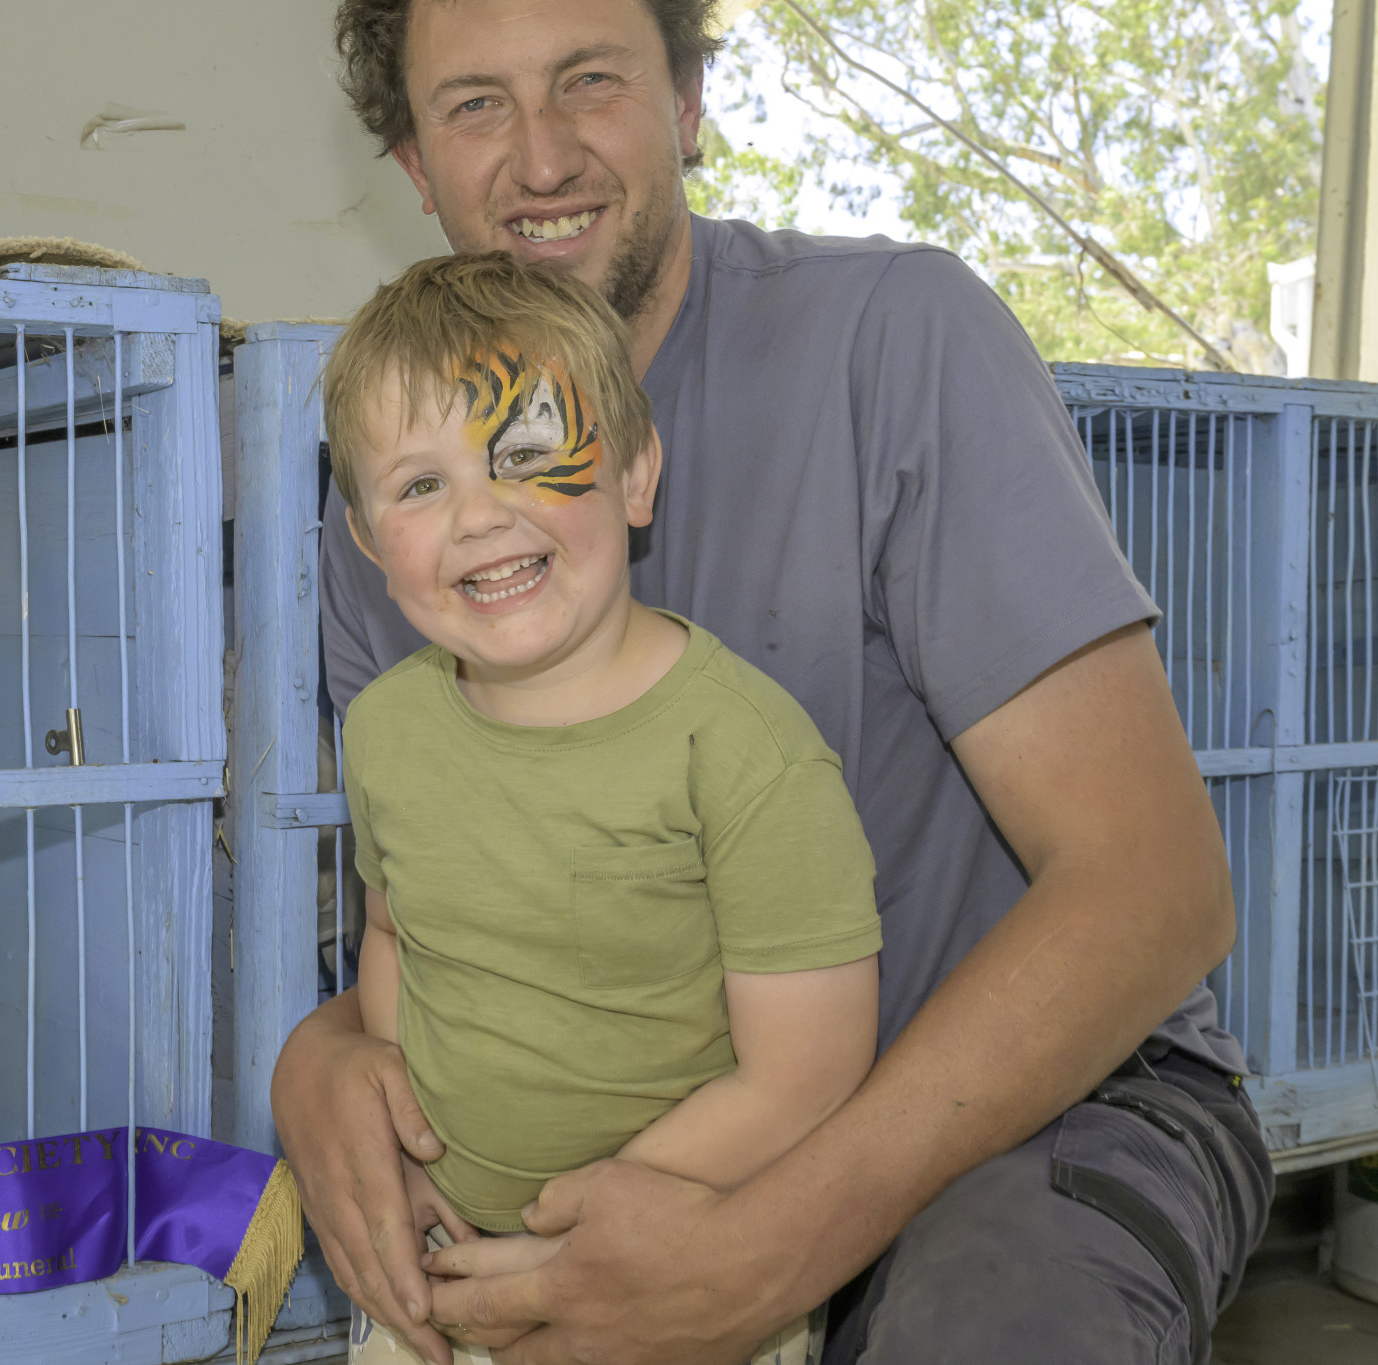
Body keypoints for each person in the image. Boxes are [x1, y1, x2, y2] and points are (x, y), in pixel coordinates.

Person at [269, 2, 1274, 1363]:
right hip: (639, 1149)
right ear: (413, 167)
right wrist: (318, 1057)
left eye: (592, 82)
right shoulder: (394, 508)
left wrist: (763, 1253)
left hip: (1036, 1102)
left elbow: (1157, 885)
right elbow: (444, 910)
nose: (544, 155)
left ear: (687, 104)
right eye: (477, 106)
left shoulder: (897, 343)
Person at [323, 252, 883, 1365]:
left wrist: (576, 1239)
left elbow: (807, 1073)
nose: (478, 518)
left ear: (634, 477)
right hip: (441, 1270)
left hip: (682, 1279)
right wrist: (402, 1145)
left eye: (527, 456)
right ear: (366, 543)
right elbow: (395, 936)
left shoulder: (743, 753)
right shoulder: (382, 730)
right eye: (420, 485)